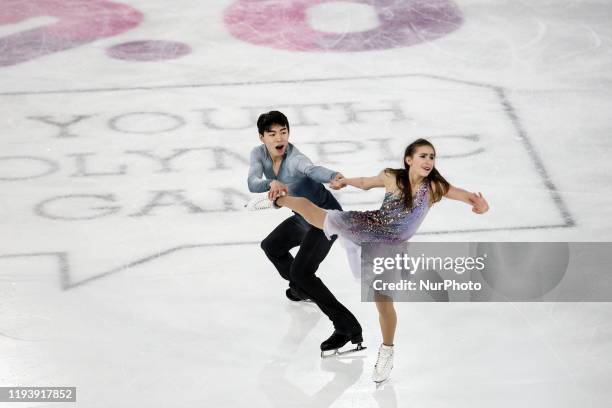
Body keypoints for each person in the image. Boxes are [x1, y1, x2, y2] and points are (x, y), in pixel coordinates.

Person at [270, 138, 490, 383]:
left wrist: (479, 204)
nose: (428, 161)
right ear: (409, 159)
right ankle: (277, 199)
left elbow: (463, 194)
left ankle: (387, 351)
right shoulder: (392, 177)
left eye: (432, 157)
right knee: (316, 216)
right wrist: (345, 181)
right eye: (423, 156)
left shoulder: (435, 187)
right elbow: (365, 183)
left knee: (383, 301)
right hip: (366, 224)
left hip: (388, 247)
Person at [247, 111, 364, 356]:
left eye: (284, 132)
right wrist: (271, 183)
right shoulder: (258, 154)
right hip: (303, 216)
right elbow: (252, 182)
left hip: (326, 219)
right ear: (262, 137)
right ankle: (301, 290)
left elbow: (312, 169)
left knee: (302, 272)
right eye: (272, 134)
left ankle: (347, 327)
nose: (280, 138)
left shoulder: (295, 159)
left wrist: (333, 176)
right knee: (272, 246)